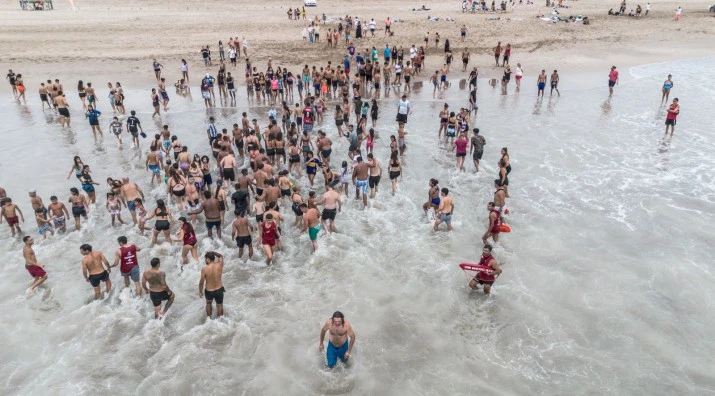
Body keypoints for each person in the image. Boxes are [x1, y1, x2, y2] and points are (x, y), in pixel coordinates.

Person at [199, 251, 225, 318]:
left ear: (208, 259)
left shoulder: (204, 269)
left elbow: (201, 282)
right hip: (219, 289)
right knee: (219, 305)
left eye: (205, 259)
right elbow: (220, 256)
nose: (205, 260)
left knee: (208, 303)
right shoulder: (220, 264)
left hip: (209, 291)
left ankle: (209, 319)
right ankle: (220, 319)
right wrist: (213, 252)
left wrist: (200, 291)